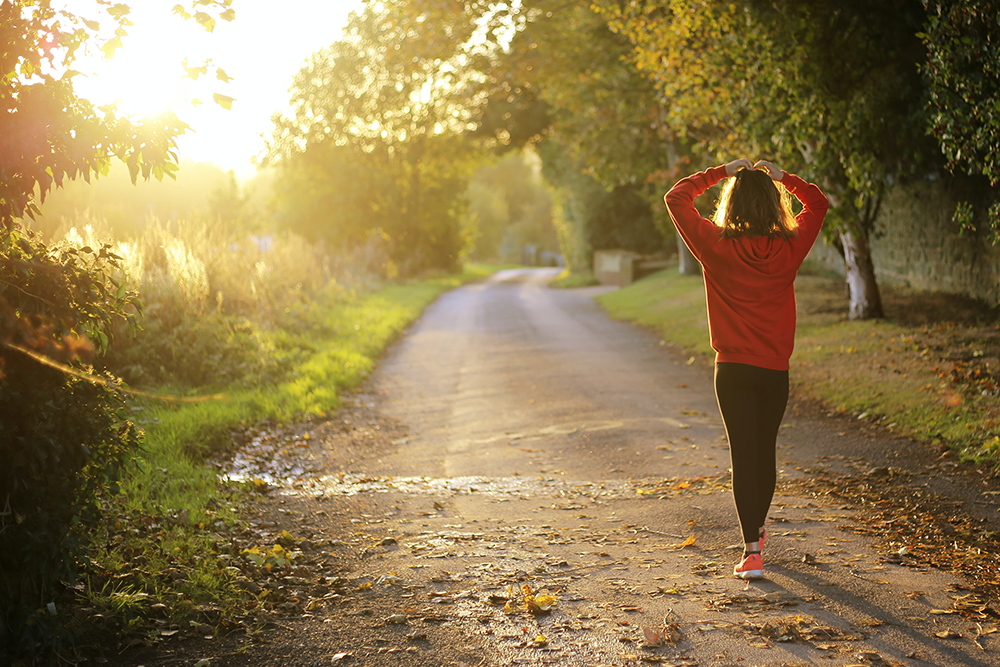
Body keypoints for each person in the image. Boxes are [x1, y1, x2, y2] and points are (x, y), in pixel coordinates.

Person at [664, 158, 829, 579]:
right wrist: (784, 178)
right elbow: (819, 202)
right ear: (774, 206)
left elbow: (676, 197)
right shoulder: (790, 246)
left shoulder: (715, 245)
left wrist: (721, 172)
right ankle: (755, 532)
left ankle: (751, 550)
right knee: (765, 451)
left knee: (744, 455)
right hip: (774, 370)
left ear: (731, 204)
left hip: (733, 369)